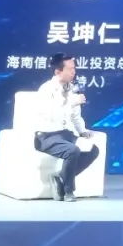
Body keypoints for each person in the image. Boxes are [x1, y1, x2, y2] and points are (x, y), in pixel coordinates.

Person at [35, 53, 100, 202]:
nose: (74, 72)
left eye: (74, 68)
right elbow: (51, 115)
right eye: (70, 69)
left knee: (93, 150)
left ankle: (61, 178)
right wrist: (73, 102)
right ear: (58, 72)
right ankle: (68, 191)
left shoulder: (71, 89)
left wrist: (82, 132)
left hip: (65, 134)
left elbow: (75, 116)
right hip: (46, 135)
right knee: (72, 150)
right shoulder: (46, 89)